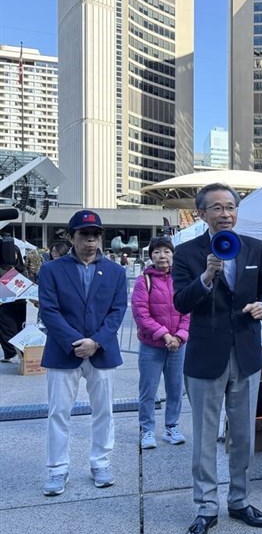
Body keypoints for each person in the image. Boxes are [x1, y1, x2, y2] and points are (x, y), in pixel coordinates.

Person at [173, 182, 262, 534]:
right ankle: (205, 507)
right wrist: (206, 276)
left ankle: (239, 500)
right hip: (205, 358)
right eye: (216, 207)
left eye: (230, 206)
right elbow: (181, 303)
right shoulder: (186, 253)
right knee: (203, 438)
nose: (225, 214)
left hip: (246, 355)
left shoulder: (255, 247)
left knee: (244, 437)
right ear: (201, 214)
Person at [38, 211, 128, 496]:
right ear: (72, 236)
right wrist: (77, 342)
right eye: (84, 235)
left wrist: (97, 342)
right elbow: (48, 311)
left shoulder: (116, 272)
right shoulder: (51, 270)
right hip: (64, 352)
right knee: (59, 412)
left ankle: (100, 462)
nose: (90, 241)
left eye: (95, 235)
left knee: (103, 411)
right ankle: (57, 469)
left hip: (101, 352)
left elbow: (117, 311)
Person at [132, 236, 190, 450]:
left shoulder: (181, 279)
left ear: (173, 255)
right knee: (148, 389)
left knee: (175, 388)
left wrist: (180, 336)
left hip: (178, 345)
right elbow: (141, 314)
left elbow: (187, 310)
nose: (162, 256)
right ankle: (147, 430)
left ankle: (171, 427)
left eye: (166, 251)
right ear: (151, 257)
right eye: (156, 252)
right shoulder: (144, 281)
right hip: (152, 345)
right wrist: (165, 334)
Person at [0, 245, 28, 363]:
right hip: (5, 304)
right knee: (7, 329)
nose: (13, 256)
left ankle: (19, 352)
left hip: (20, 303)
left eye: (15, 253)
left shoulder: (22, 269)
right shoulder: (2, 269)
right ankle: (10, 353)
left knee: (19, 328)